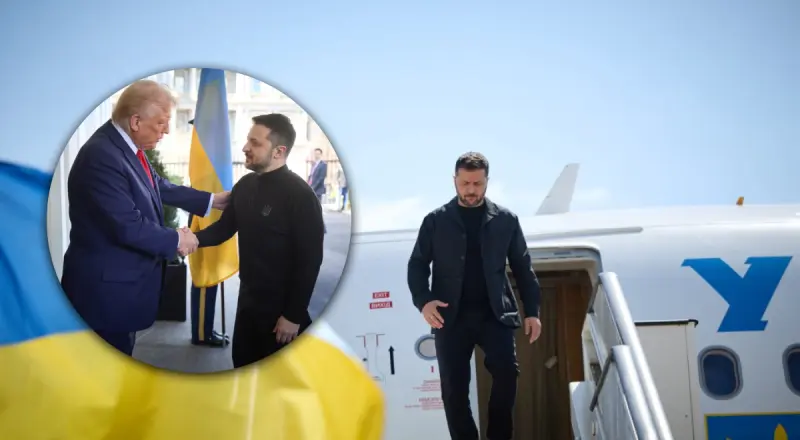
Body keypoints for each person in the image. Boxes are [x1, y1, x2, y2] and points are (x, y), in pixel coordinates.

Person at [60, 80, 230, 357]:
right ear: (136, 121)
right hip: (104, 295)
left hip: (117, 288)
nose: (166, 130)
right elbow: (129, 226)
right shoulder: (102, 156)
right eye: (161, 123)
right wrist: (177, 239)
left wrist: (212, 200)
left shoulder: (123, 146)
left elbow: (157, 185)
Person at [407, 152, 542, 440]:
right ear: (454, 180)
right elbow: (417, 265)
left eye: (477, 184)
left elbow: (523, 268)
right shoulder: (435, 221)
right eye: (465, 183)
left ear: (487, 182)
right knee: (453, 390)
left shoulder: (506, 220)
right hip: (450, 317)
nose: (471, 190)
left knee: (507, 373)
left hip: (495, 314)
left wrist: (532, 312)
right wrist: (424, 301)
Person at [192, 113, 325, 368]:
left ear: (279, 151)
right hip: (248, 305)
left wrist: (293, 315)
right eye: (247, 140)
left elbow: (309, 261)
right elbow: (223, 229)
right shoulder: (245, 185)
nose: (245, 148)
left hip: (282, 314)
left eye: (255, 143)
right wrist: (187, 239)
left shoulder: (300, 195)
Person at [185, 118, 229, 348]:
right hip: (205, 220)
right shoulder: (206, 159)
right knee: (205, 276)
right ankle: (202, 333)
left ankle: (206, 328)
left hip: (208, 216)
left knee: (208, 276)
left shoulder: (210, 158)